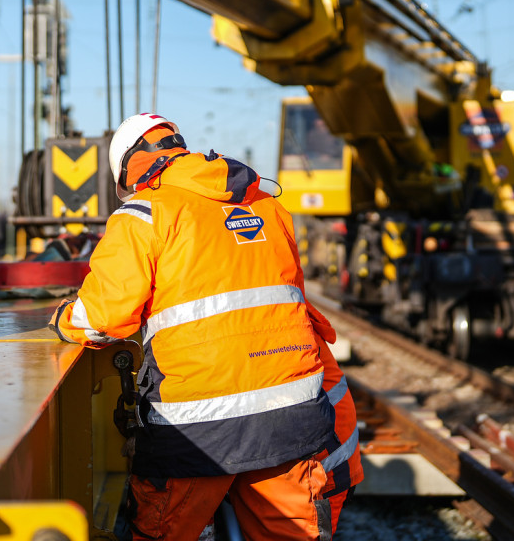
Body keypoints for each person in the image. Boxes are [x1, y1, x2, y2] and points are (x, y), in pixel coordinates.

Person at [49, 113, 362, 540]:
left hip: (194, 432)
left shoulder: (142, 216)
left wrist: (63, 319)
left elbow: (103, 318)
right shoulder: (268, 207)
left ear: (129, 170)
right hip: (289, 423)